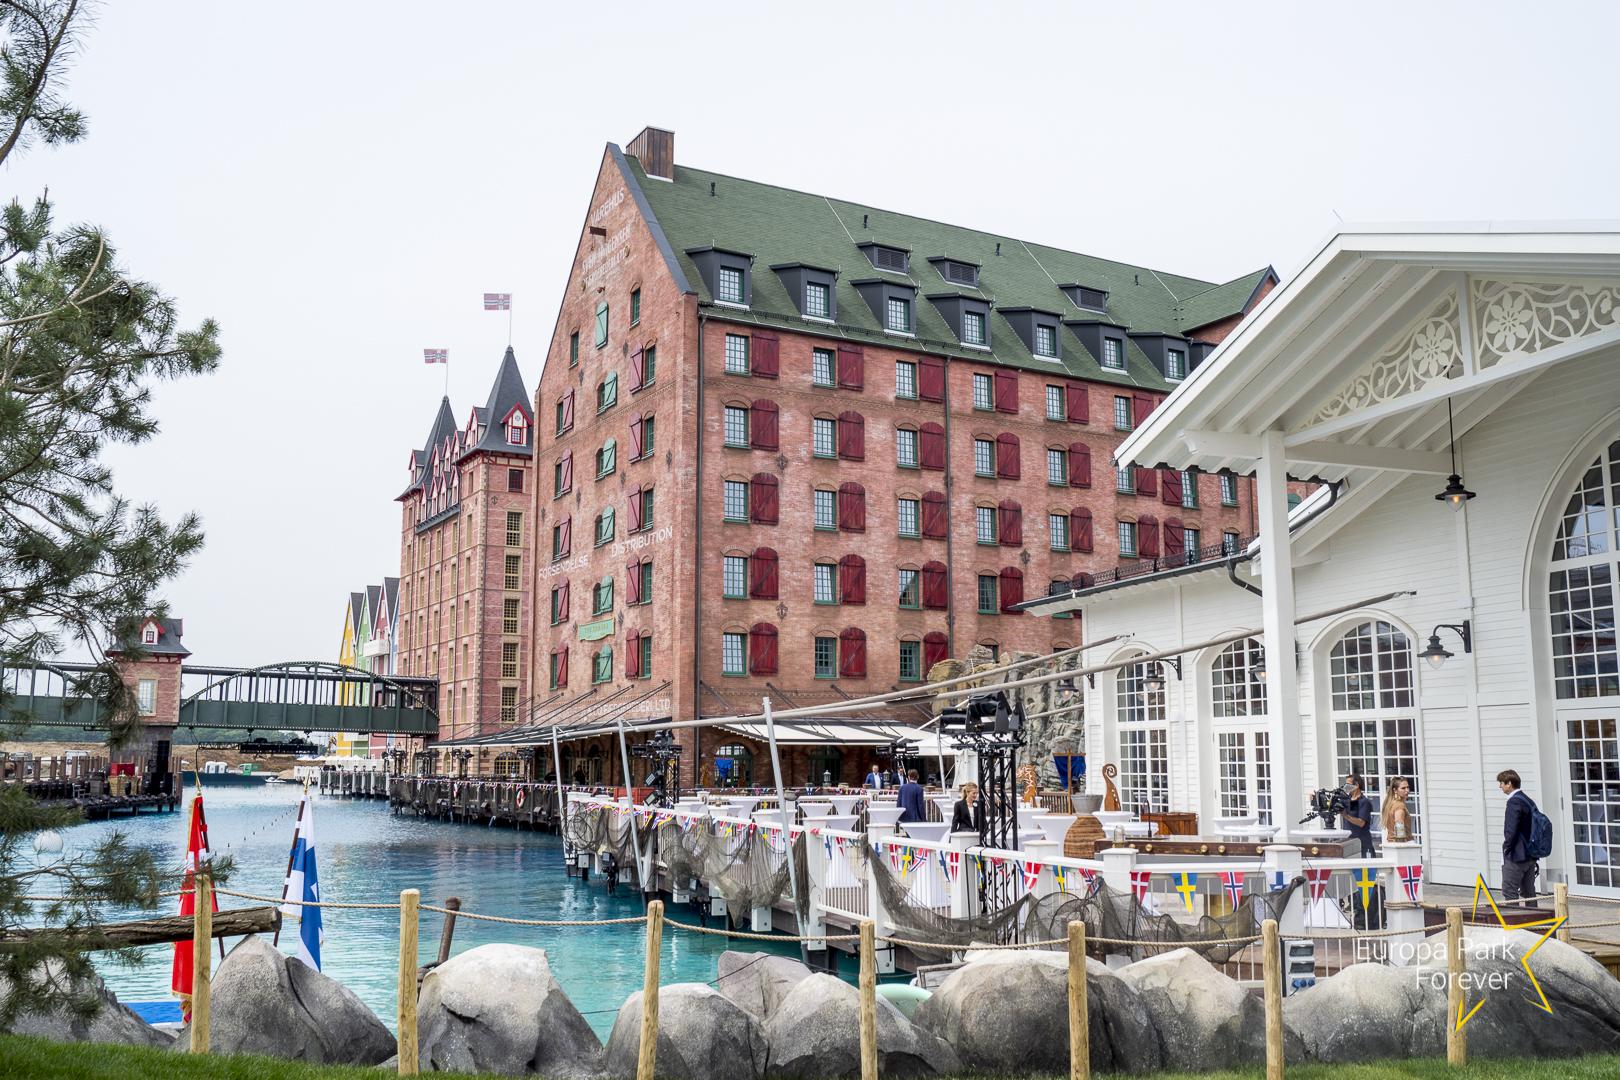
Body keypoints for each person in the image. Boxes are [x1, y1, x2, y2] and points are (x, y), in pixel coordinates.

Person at [1499, 769, 1540, 907]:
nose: (1500, 786)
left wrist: (1506, 849)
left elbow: (1511, 830)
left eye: (1502, 783)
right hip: (1530, 854)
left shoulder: (1513, 802)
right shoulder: (1528, 801)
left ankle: (1515, 924)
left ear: (1509, 784)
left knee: (1509, 891)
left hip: (1517, 854)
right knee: (1529, 892)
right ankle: (1535, 923)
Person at [1340, 773, 1376, 857]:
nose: (1346, 787)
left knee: (1365, 869)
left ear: (1356, 785)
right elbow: (1331, 803)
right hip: (1349, 843)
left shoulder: (1364, 802)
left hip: (1362, 843)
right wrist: (1316, 799)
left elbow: (1361, 822)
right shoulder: (1348, 799)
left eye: (1348, 785)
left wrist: (1345, 816)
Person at [1380, 776, 1413, 843]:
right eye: (1403, 788)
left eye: (1407, 787)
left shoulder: (1389, 804)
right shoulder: (1399, 806)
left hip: (1391, 842)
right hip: (1402, 843)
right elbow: (1399, 829)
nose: (1407, 790)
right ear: (1395, 790)